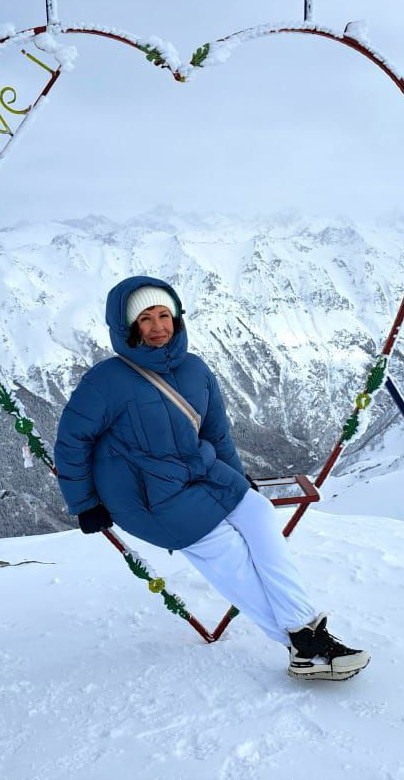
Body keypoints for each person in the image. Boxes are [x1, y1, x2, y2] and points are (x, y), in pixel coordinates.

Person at [54, 275, 369, 681]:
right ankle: (300, 644)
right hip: (149, 496)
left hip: (202, 474)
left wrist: (236, 479)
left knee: (256, 511)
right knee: (228, 552)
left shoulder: (195, 370)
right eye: (145, 319)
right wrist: (84, 504)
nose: (158, 327)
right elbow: (71, 441)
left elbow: (215, 433)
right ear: (127, 327)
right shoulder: (106, 381)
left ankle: (305, 628)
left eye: (165, 315)